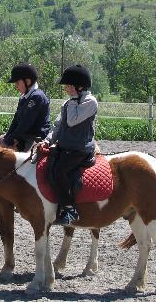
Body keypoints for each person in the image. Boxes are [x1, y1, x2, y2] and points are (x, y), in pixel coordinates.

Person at [40, 64, 98, 226]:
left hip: (80, 149)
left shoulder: (90, 102)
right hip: (66, 147)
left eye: (68, 85)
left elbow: (72, 121)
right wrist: (47, 141)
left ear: (78, 86)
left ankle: (70, 209)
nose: (66, 89)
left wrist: (72, 100)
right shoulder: (69, 103)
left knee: (60, 171)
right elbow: (58, 126)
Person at [2, 63, 51, 152]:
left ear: (27, 82)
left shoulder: (37, 97)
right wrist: (7, 137)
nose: (15, 86)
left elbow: (26, 122)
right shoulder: (24, 97)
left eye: (17, 82)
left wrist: (12, 138)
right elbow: (16, 120)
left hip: (34, 139)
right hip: (24, 136)